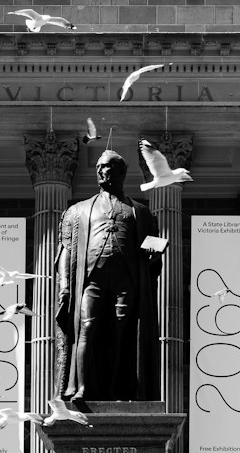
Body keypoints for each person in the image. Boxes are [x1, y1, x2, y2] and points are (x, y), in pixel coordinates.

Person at [54, 149, 162, 404]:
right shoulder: (78, 211)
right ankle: (82, 388)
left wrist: (154, 255)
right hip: (92, 281)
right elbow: (65, 254)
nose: (102, 172)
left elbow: (155, 252)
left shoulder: (140, 212)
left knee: (121, 334)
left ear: (121, 173)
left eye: (108, 167)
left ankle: (119, 391)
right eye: (100, 168)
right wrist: (65, 286)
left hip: (127, 282)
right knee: (87, 328)